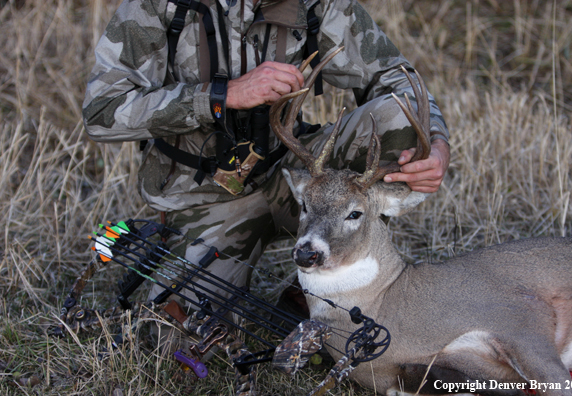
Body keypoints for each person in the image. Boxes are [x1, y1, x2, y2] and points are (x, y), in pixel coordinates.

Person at [83, 0, 450, 326]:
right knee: (175, 331)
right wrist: (220, 96)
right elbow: (101, 111)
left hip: (300, 177)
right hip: (203, 197)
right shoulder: (159, 5)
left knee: (397, 118)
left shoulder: (315, 3)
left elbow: (395, 77)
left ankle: (318, 293)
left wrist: (436, 141)